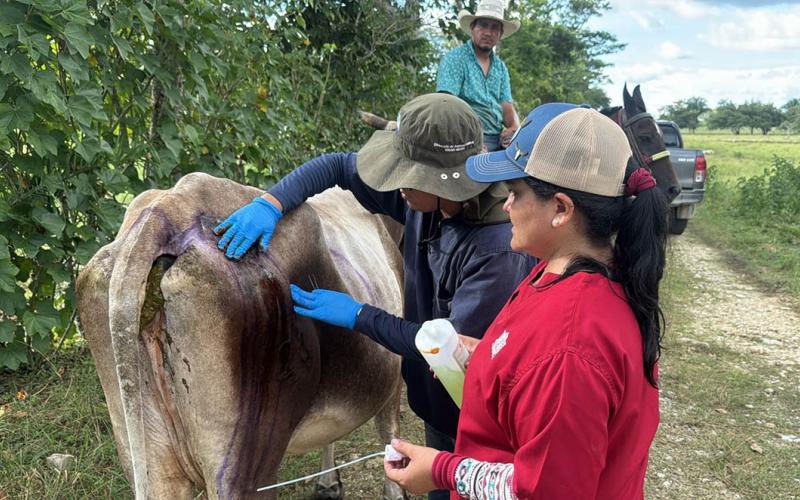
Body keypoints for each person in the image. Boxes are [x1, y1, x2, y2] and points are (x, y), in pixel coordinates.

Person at [214, 93, 536, 500]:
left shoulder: (496, 249)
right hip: (438, 407)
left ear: (435, 181)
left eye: (404, 177)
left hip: (479, 422)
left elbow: (444, 350)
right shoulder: (429, 202)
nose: (395, 189)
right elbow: (336, 166)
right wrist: (271, 202)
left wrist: (359, 316)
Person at [383, 102, 669, 499]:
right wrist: (485, 356)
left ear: (561, 209)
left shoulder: (572, 345)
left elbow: (545, 490)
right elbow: (535, 369)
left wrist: (443, 469)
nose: (505, 205)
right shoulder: (560, 271)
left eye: (516, 192)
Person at [437, 0, 521, 152]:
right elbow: (446, 102)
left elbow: (506, 105)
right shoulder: (456, 58)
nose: (488, 32)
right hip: (464, 136)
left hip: (497, 138)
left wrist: (514, 126)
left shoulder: (500, 68)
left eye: (495, 27)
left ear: (500, 34)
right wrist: (468, 140)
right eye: (483, 25)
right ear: (472, 28)